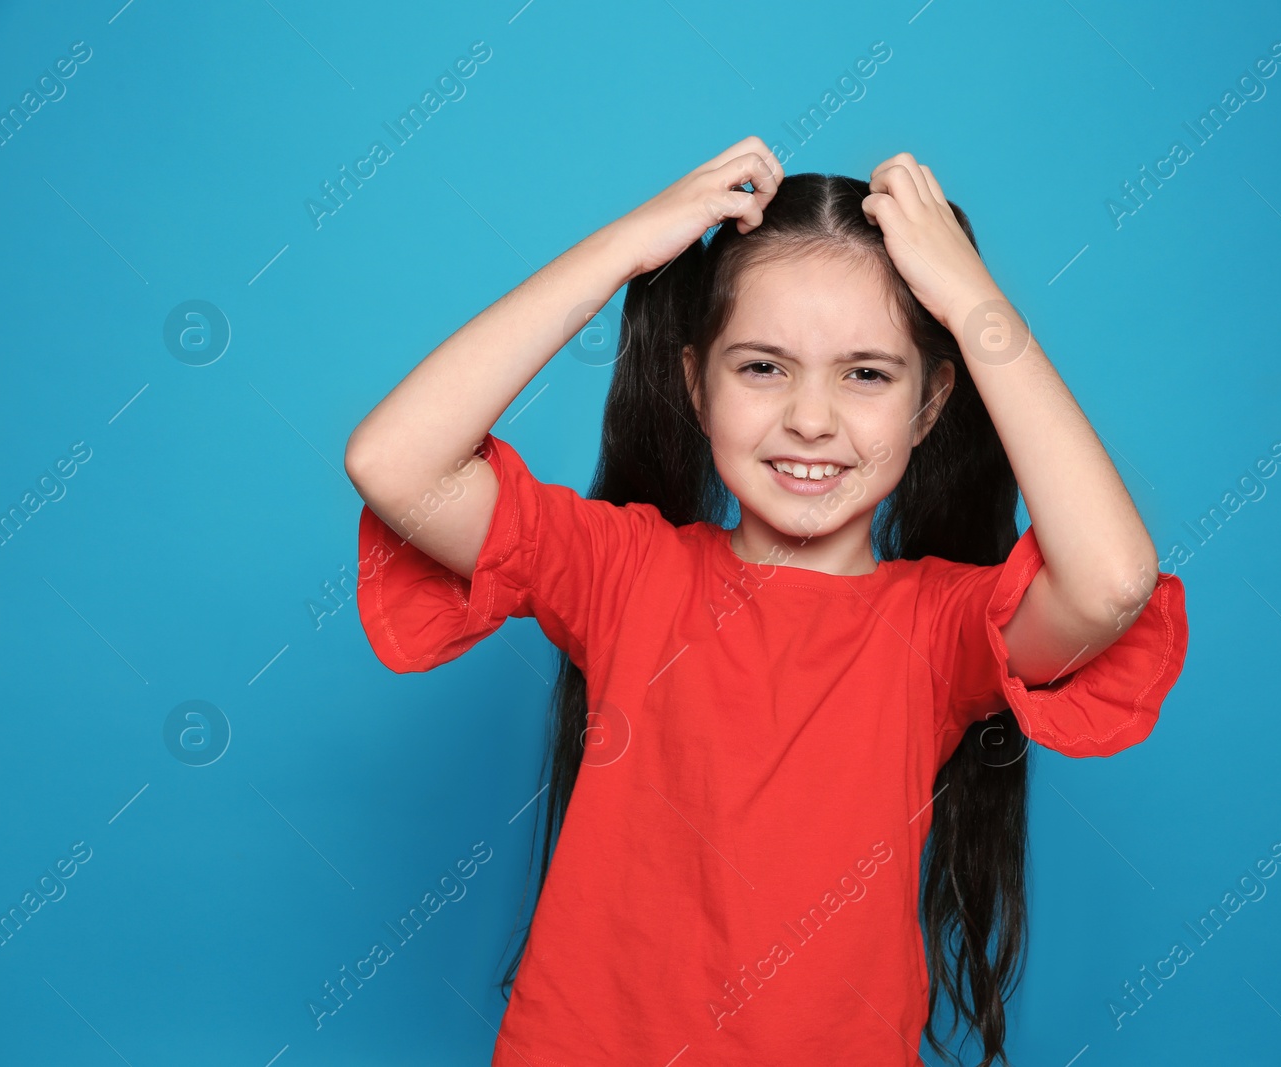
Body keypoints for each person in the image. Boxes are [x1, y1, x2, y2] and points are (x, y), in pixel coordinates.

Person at [344, 136, 1189, 1067]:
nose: (811, 419)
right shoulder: (623, 572)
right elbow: (396, 462)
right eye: (762, 367)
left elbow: (1112, 581)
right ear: (694, 384)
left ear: (932, 401)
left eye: (867, 373)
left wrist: (972, 303)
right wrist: (628, 245)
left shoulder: (939, 628)